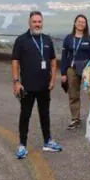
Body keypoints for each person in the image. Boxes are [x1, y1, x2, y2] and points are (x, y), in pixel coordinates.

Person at [12, 11, 62, 159]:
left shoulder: (46, 40)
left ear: (42, 22)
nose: (37, 24)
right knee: (25, 115)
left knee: (45, 114)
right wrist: (16, 82)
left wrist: (53, 80)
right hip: (26, 86)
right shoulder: (21, 40)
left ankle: (47, 141)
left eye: (39, 21)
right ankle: (22, 145)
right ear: (29, 23)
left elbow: (53, 61)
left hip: (44, 86)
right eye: (34, 21)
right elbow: (15, 62)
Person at [60, 14, 90, 130]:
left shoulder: (89, 39)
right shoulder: (68, 38)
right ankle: (75, 119)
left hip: (86, 70)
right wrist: (63, 73)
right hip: (72, 69)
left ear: (86, 25)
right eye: (79, 21)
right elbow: (64, 56)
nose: (81, 24)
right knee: (73, 95)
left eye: (83, 22)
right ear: (75, 23)